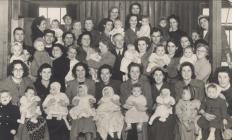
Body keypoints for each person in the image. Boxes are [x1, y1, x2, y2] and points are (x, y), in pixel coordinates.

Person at [120, 63, 152, 140]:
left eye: (137, 71)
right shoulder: (124, 85)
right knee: (128, 125)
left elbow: (149, 102)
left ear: (140, 73)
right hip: (129, 112)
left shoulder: (145, 84)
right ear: (128, 73)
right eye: (132, 71)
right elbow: (123, 102)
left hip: (142, 112)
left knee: (140, 128)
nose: (134, 74)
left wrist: (141, 108)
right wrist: (128, 107)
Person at [148, 67, 176, 140]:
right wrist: (155, 106)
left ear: (163, 76)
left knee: (167, 123)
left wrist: (169, 105)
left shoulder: (170, 86)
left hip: (168, 112)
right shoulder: (150, 87)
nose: (158, 77)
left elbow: (173, 101)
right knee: (156, 123)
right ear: (153, 76)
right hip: (154, 112)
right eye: (156, 75)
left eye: (160, 75)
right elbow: (148, 103)